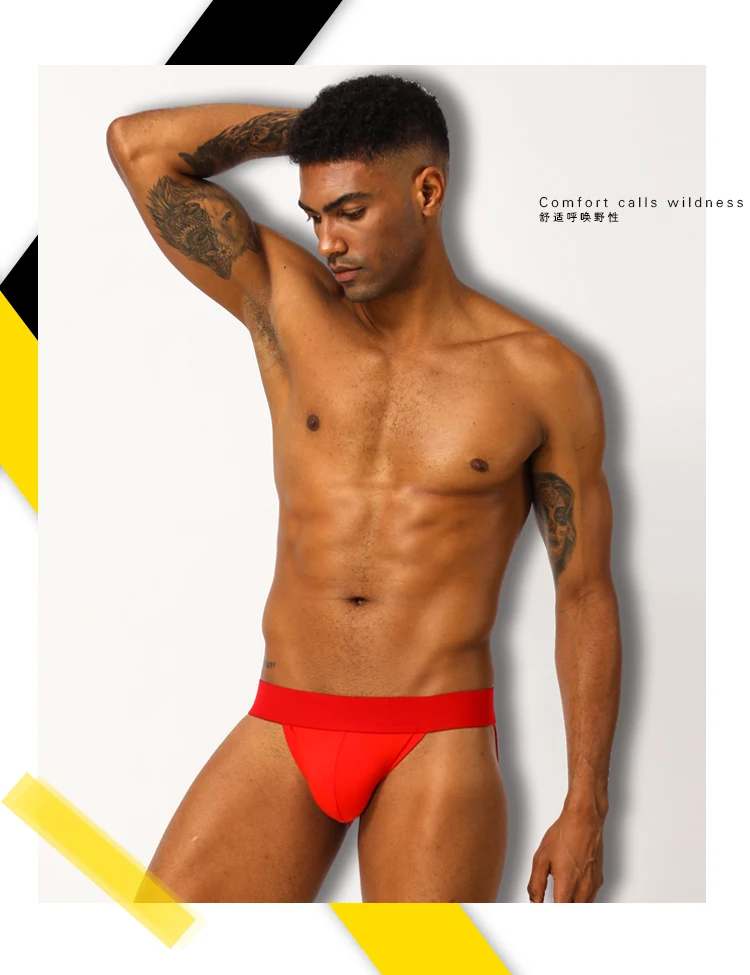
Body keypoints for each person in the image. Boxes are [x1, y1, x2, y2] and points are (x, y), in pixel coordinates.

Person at [106, 73, 622, 904]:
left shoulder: (541, 376)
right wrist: (321, 131)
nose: (328, 241)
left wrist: (586, 800)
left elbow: (586, 593)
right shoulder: (287, 306)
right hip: (284, 719)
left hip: (435, 738)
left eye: (351, 210)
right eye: (315, 216)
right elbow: (138, 148)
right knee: (160, 943)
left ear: (427, 190)